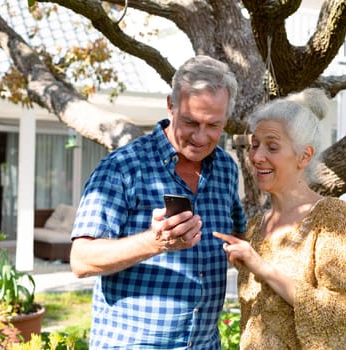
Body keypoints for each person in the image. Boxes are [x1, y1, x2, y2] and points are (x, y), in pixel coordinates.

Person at [70, 55, 247, 349]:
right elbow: (81, 259)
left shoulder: (226, 169)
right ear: (171, 105)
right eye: (190, 121)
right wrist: (155, 242)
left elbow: (238, 237)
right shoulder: (124, 167)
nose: (200, 137)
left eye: (213, 125)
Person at [214, 88, 346, 349]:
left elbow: (338, 313)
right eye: (255, 145)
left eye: (272, 146)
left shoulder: (331, 218)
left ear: (304, 156)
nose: (257, 157)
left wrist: (260, 267)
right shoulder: (254, 228)